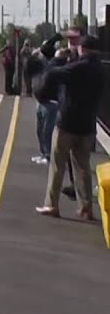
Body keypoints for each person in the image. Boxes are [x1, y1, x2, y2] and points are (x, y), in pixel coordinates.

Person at [34, 34, 103, 219]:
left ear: (83, 49)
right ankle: (86, 208)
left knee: (58, 165)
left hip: (67, 123)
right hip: (87, 126)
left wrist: (58, 59)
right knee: (83, 168)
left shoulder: (78, 67)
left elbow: (53, 74)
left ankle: (51, 205)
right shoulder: (101, 69)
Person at [30, 41, 65, 165]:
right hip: (42, 102)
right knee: (41, 130)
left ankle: (48, 155)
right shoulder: (48, 65)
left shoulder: (55, 66)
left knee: (47, 131)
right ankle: (44, 153)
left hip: (50, 104)